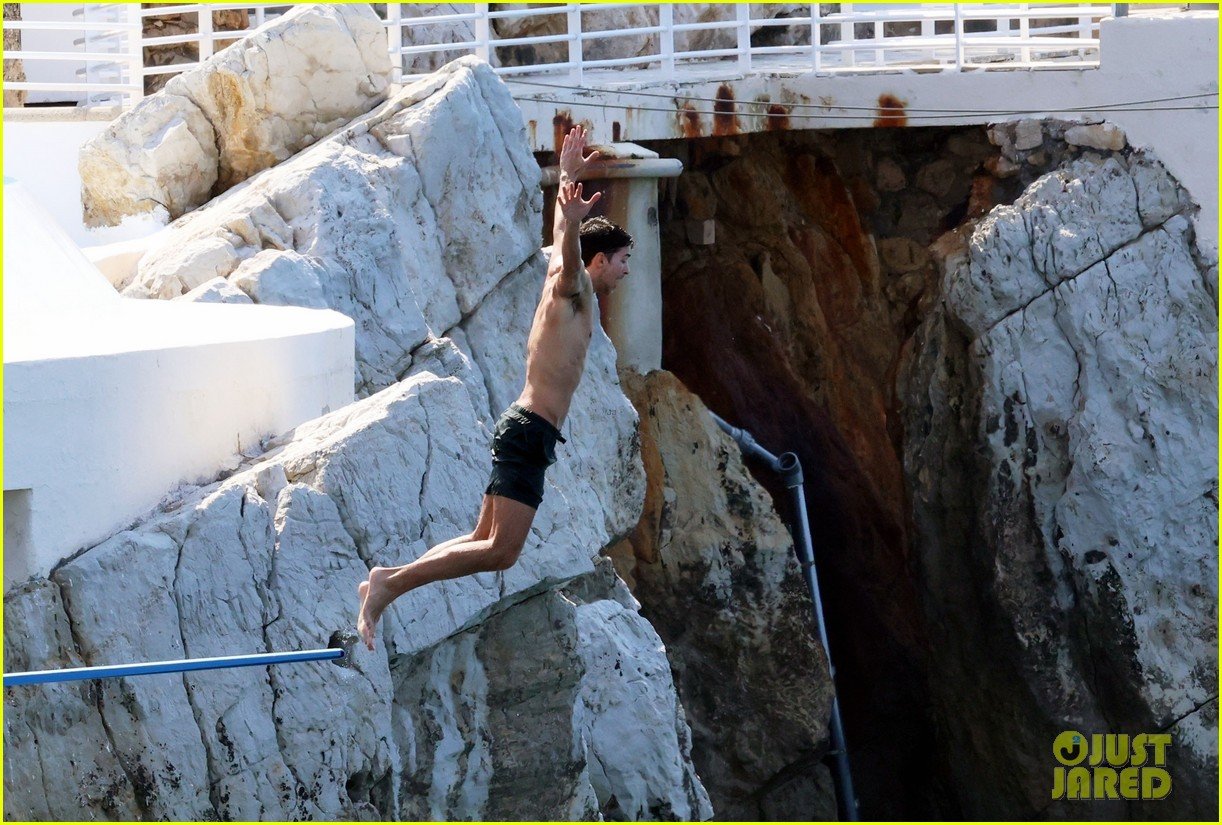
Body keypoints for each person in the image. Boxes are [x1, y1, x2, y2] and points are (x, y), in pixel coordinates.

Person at [357, 125, 634, 650]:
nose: (625, 271)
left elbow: (559, 235)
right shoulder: (572, 289)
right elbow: (568, 253)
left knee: (483, 542)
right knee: (500, 552)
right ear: (598, 261)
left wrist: (569, 178)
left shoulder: (563, 270)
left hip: (526, 430)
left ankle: (388, 581)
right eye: (622, 261)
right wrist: (574, 229)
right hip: (529, 432)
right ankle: (388, 585)